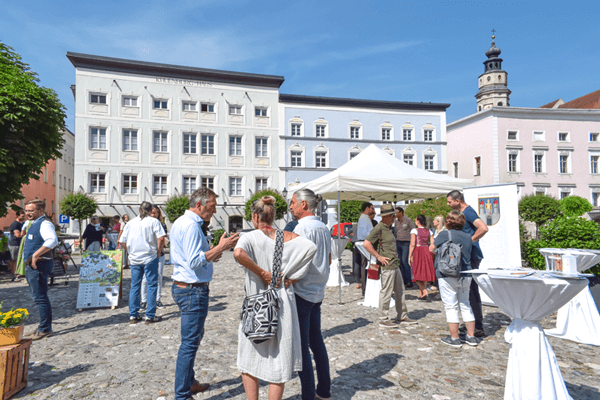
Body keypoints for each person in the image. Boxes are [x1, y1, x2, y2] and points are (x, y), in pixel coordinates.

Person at [234, 196, 317, 400]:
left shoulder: (250, 236)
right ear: (272, 217)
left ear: (255, 216)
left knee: (248, 360)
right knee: (278, 362)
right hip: (281, 305)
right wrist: (292, 277)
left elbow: (237, 253)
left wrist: (262, 273)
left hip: (256, 305)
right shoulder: (288, 237)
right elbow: (311, 249)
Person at [170, 188, 239, 400]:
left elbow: (194, 257)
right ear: (199, 205)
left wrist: (212, 253)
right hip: (192, 290)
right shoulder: (191, 226)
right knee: (189, 343)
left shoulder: (183, 222)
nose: (214, 211)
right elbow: (194, 261)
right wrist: (221, 247)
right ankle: (182, 394)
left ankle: (189, 382)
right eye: (212, 207)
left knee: (194, 338)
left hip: (188, 287)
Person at [288, 189, 332, 400]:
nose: (290, 207)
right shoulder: (323, 227)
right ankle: (324, 389)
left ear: (303, 204)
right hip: (317, 291)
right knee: (316, 342)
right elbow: (329, 258)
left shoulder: (302, 228)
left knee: (302, 346)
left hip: (302, 292)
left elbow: (297, 262)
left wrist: (288, 280)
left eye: (292, 203)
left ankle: (308, 394)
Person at [364, 203, 416, 328]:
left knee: (400, 291)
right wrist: (379, 257)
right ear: (386, 216)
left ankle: (402, 316)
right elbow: (367, 243)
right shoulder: (379, 228)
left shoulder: (388, 228)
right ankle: (383, 318)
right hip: (387, 265)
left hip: (394, 264)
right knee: (386, 292)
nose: (394, 217)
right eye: (392, 215)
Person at [429, 210, 477, 347]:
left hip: (447, 274)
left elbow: (431, 248)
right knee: (466, 304)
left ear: (449, 222)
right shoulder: (468, 236)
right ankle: (471, 337)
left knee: (451, 306)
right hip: (466, 273)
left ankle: (455, 338)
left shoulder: (445, 234)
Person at [447, 190, 489, 337]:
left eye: (450, 201)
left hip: (471, 256)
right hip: (466, 256)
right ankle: (471, 322)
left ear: (457, 201)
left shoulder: (468, 212)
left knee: (471, 290)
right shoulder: (463, 212)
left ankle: (478, 326)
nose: (448, 204)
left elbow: (483, 228)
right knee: (466, 291)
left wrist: (469, 242)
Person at [119, 202, 166, 325]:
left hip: (135, 259)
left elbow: (121, 241)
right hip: (150, 257)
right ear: (151, 210)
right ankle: (149, 315)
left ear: (139, 210)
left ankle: (133, 315)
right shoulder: (154, 222)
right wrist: (158, 251)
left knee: (135, 286)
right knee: (151, 285)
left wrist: (130, 251)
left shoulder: (130, 223)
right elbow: (161, 238)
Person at [22, 199, 58, 340]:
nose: (28, 213)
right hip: (35, 264)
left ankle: (45, 329)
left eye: (31, 210)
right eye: (26, 210)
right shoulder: (35, 223)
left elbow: (52, 240)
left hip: (39, 265)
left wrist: (36, 254)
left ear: (40, 210)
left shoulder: (45, 223)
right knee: (39, 297)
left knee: (40, 298)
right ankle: (42, 326)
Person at [141, 206, 167, 310]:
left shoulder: (161, 224)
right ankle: (144, 300)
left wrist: (158, 251)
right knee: (145, 279)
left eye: (155, 213)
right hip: (147, 254)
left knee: (159, 277)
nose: (153, 215)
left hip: (159, 253)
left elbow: (162, 239)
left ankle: (157, 299)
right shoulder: (144, 224)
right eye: (151, 213)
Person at [409, 214, 436, 300]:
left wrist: (409, 256)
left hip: (418, 250)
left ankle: (424, 291)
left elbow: (412, 244)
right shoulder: (430, 231)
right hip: (427, 251)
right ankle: (422, 294)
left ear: (418, 221)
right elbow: (432, 244)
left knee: (416, 272)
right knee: (424, 272)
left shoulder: (414, 230)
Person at [353, 201, 374, 292]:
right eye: (372, 208)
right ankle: (365, 288)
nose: (373, 210)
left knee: (365, 265)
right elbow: (364, 233)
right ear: (367, 208)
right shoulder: (364, 218)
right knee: (365, 266)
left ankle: (366, 287)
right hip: (364, 243)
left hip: (364, 242)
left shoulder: (365, 218)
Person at [394, 206, 415, 288]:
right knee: (401, 262)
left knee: (405, 261)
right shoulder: (396, 222)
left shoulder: (408, 220)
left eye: (396, 212)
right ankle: (403, 280)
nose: (395, 214)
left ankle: (409, 280)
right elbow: (395, 232)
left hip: (406, 242)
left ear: (400, 212)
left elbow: (413, 230)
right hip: (398, 242)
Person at [8, 210, 26, 281]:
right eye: (22, 216)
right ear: (17, 216)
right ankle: (14, 276)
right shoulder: (15, 224)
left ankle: (19, 274)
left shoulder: (23, 223)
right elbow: (18, 235)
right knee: (14, 260)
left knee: (21, 259)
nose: (24, 217)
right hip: (14, 244)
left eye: (24, 216)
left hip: (21, 244)